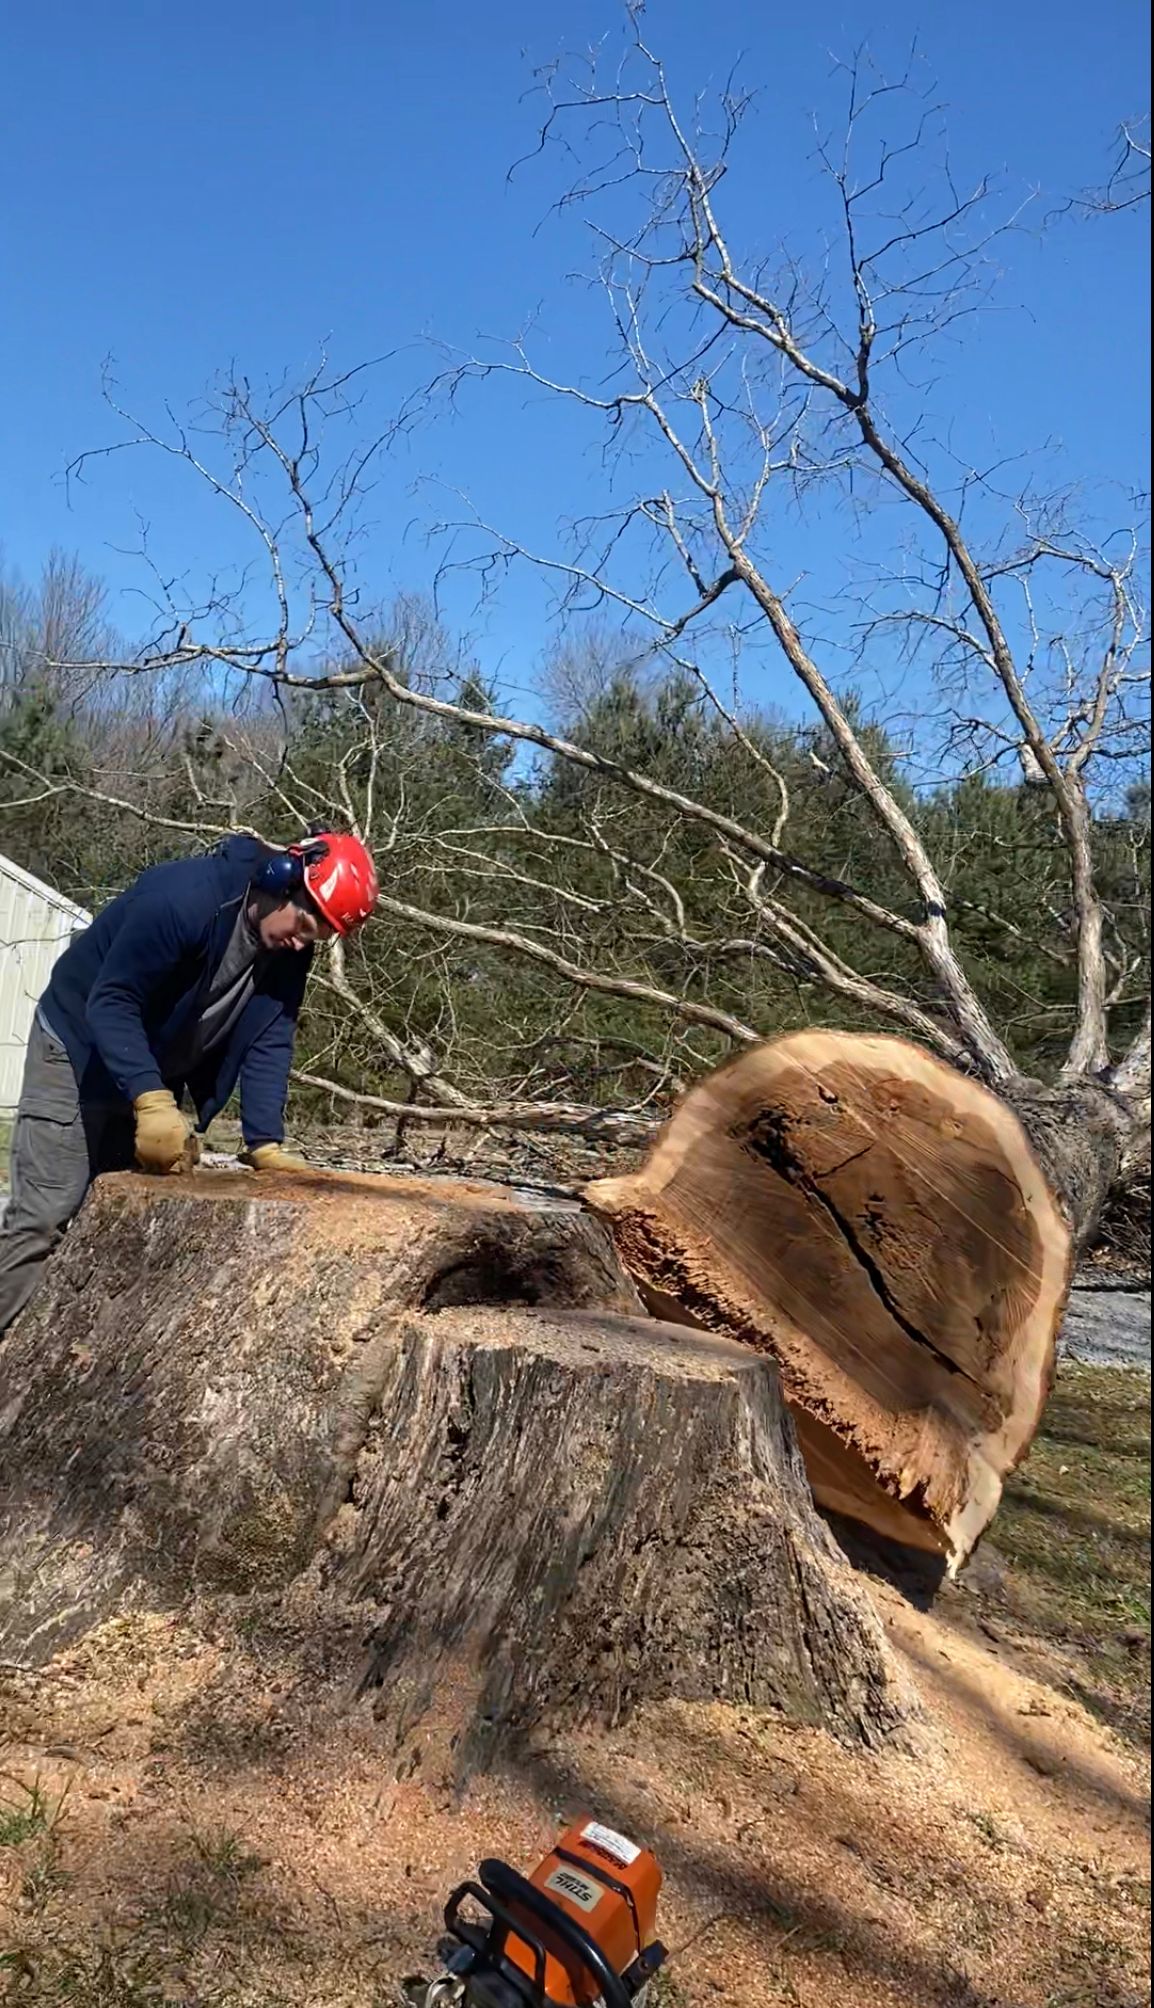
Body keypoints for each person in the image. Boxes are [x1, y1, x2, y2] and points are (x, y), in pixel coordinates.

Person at [0, 828, 378, 1337]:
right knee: (45, 1218)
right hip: (77, 1047)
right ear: (282, 879)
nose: (302, 940)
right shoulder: (183, 901)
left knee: (118, 1217)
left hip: (151, 1065)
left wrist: (264, 1140)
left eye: (318, 936)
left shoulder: (289, 948)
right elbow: (111, 1003)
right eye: (306, 923)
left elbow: (271, 1036)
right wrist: (153, 1101)